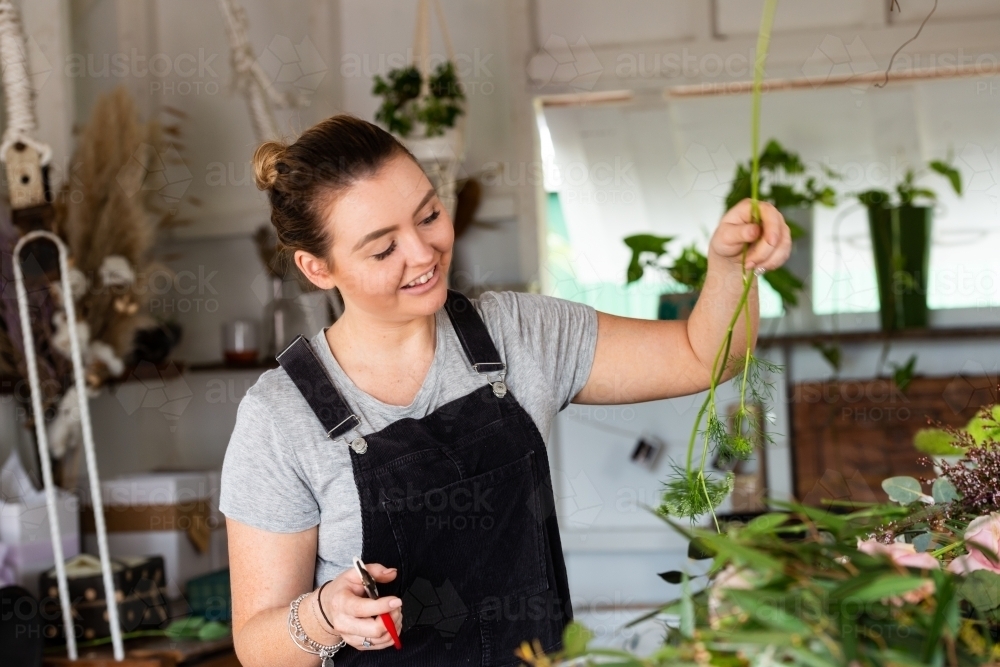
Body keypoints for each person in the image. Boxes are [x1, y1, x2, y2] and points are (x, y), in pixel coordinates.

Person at [219, 114, 791, 666]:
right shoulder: (280, 417)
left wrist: (729, 268)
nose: (422, 254)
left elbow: (703, 355)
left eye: (428, 216)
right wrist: (323, 616)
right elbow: (257, 644)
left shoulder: (519, 334)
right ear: (318, 268)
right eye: (383, 248)